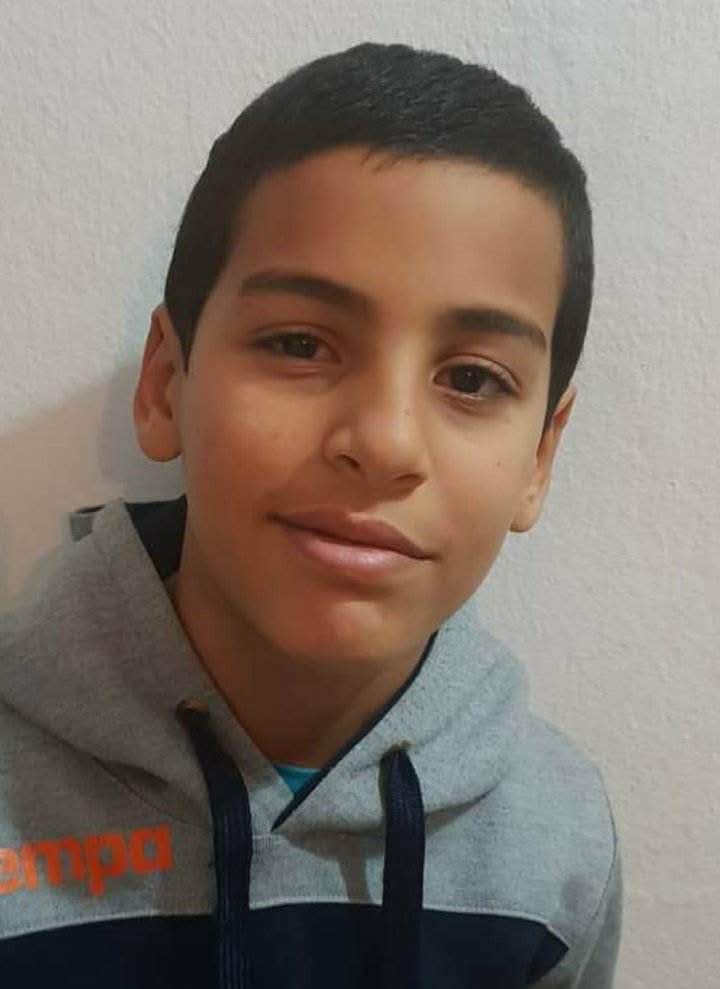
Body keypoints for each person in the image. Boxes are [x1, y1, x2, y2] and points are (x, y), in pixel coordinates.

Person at [0, 41, 622, 988]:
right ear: (166, 384)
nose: (386, 441)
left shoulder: (557, 841)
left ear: (540, 455)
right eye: (299, 343)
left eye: (471, 379)